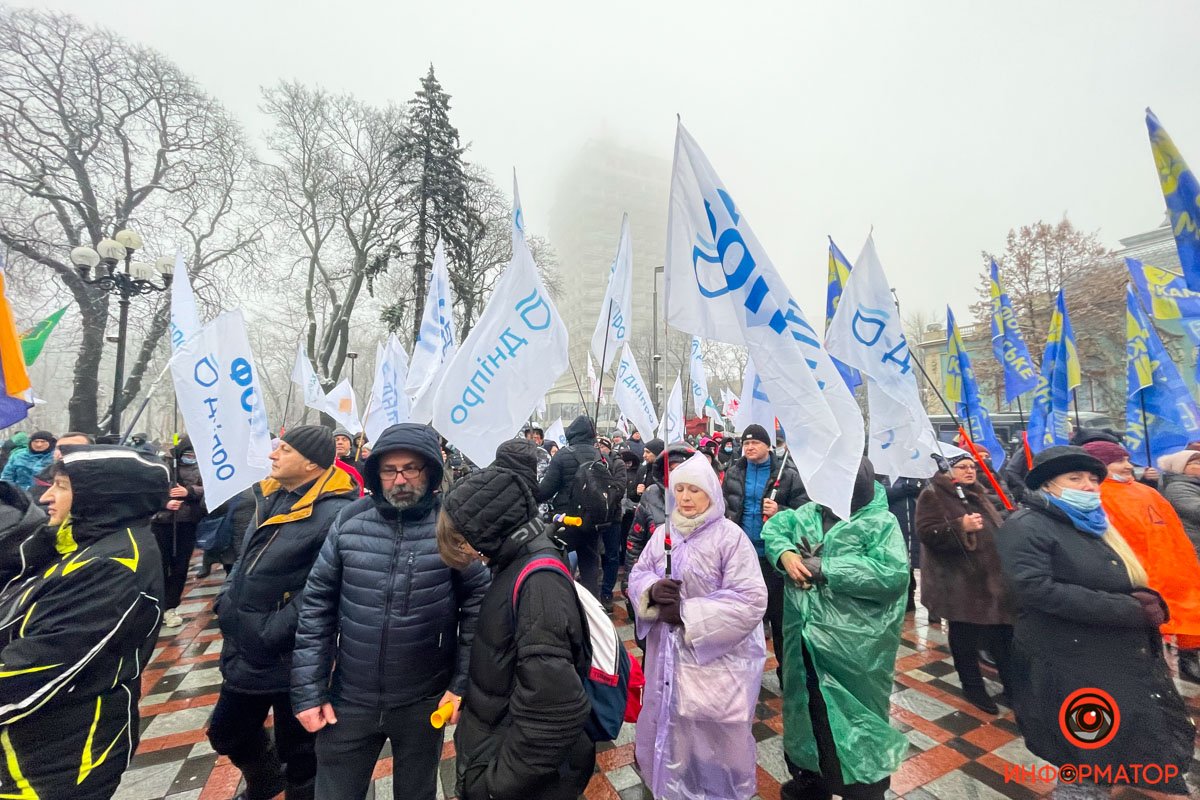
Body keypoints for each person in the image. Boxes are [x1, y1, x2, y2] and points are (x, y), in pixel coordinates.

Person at [290, 423, 489, 800]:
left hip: (423, 701)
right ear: (376, 472)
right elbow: (317, 607)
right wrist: (308, 690)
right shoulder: (349, 522)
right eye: (389, 469)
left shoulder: (451, 529)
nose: (400, 479)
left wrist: (459, 686)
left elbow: (478, 608)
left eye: (411, 468)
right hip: (348, 698)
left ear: (429, 471)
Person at [995, 446, 1193, 797]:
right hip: (1072, 663)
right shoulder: (1026, 526)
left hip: (1116, 657)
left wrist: (1145, 598)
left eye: (1092, 478)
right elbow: (1036, 590)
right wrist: (1128, 609)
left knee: (1127, 749)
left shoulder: (1093, 522)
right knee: (1089, 758)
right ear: (1048, 486)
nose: (1088, 486)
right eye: (1074, 479)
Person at [0, 444, 168, 799]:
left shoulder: (115, 566)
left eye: (61, 486)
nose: (46, 496)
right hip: (33, 745)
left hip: (59, 758)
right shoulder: (84, 544)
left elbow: (35, 669)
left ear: (101, 497)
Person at [438, 439, 594, 800]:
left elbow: (556, 708)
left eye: (464, 543)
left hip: (517, 778)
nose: (469, 554)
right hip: (494, 739)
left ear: (487, 531)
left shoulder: (537, 583)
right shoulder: (512, 562)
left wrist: (496, 785)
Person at [208, 426, 355, 800]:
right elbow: (244, 562)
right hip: (246, 646)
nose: (273, 455)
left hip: (295, 655)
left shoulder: (337, 512)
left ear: (311, 463)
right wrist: (226, 599)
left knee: (302, 756)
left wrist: (274, 627)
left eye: (285, 450)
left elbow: (327, 586)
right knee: (226, 733)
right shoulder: (268, 496)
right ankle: (265, 779)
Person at [763, 459, 909, 800]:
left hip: (855, 653)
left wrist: (826, 568)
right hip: (803, 645)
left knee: (853, 718)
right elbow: (775, 529)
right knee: (807, 710)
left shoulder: (879, 522)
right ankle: (809, 778)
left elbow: (892, 574)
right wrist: (785, 554)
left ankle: (863, 788)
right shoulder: (809, 514)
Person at [627, 453, 767, 799]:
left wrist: (688, 614)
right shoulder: (663, 535)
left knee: (711, 740)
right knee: (669, 732)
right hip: (666, 659)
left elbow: (749, 600)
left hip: (714, 663)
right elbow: (638, 574)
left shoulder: (730, 539)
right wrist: (650, 591)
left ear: (711, 495)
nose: (686, 498)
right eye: (681, 489)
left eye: (694, 490)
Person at [1081, 440, 1200, 684]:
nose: (1128, 465)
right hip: (1144, 580)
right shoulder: (1097, 497)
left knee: (1181, 628)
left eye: (1127, 459)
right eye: (1119, 460)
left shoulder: (1146, 491)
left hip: (1174, 575)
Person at [914, 456, 1015, 713]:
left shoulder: (976, 492)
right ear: (948, 471)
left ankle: (1013, 688)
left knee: (1002, 635)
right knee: (965, 638)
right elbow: (926, 533)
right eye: (963, 466)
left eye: (973, 467)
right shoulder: (932, 495)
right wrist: (960, 526)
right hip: (960, 583)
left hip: (992, 581)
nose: (970, 471)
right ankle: (973, 687)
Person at [723, 424, 807, 687]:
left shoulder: (788, 473)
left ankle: (788, 675)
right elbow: (725, 508)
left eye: (755, 443)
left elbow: (805, 512)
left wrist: (780, 510)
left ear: (767, 445)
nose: (749, 447)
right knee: (745, 619)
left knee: (781, 621)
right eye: (746, 443)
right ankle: (745, 675)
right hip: (743, 556)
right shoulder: (734, 472)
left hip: (775, 558)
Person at [536, 415, 607, 596]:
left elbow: (545, 491)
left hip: (566, 520)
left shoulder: (562, 455)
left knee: (560, 565)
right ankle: (594, 610)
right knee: (590, 568)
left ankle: (565, 605)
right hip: (592, 520)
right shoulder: (600, 456)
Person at [151, 436, 205, 628]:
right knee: (160, 565)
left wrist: (189, 491)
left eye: (193, 454)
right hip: (162, 524)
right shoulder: (164, 467)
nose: (190, 457)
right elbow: (150, 492)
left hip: (187, 523)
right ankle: (156, 605)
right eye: (187, 454)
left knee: (180, 567)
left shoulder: (203, 467)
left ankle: (171, 606)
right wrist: (165, 503)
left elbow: (207, 490)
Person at [884, 475, 926, 614]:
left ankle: (928, 606)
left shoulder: (923, 477)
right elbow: (882, 494)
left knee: (921, 566)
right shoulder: (889, 478)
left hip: (917, 529)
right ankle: (906, 600)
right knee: (903, 566)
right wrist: (901, 490)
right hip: (898, 528)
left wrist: (921, 489)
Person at [597, 436, 627, 611]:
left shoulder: (618, 464)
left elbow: (619, 488)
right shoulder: (593, 461)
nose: (599, 448)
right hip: (595, 517)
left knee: (611, 555)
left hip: (613, 517)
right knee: (596, 555)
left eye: (602, 445)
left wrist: (604, 499)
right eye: (597, 445)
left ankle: (607, 591)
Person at [1158, 449, 1200, 558]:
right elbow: (1196, 511)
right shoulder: (1177, 487)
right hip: (1195, 544)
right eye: (1197, 463)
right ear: (1180, 467)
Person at [332, 427, 365, 496]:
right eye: (336, 440)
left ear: (350, 445)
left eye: (344, 439)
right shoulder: (325, 464)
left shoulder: (360, 465)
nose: (340, 442)